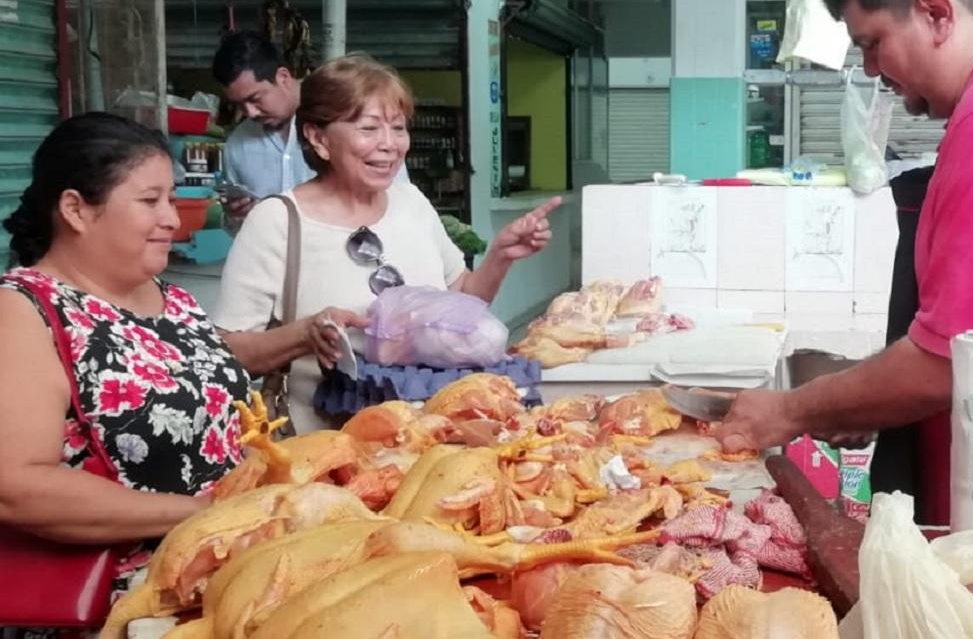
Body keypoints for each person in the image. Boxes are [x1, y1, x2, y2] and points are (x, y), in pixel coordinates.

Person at [716, 0, 973, 525]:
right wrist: (854, 399)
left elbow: (947, 360)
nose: (871, 71)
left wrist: (792, 410)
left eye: (872, 43)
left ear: (935, 10)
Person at [213, 54, 561, 433]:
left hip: (430, 444)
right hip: (324, 453)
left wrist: (501, 256)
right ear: (318, 137)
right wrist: (305, 334)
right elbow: (228, 351)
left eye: (398, 128)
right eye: (369, 128)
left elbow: (461, 302)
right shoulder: (277, 221)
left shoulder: (412, 203)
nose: (390, 145)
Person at [0, 113, 251, 617]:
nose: (172, 219)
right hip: (122, 605)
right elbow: (17, 486)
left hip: (221, 584)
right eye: (149, 200)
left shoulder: (172, 299)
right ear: (75, 209)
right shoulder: (25, 311)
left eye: (171, 197)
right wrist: (200, 514)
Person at [211, 32, 408, 229]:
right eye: (239, 105)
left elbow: (399, 201)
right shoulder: (238, 145)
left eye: (255, 99)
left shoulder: (343, 115)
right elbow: (234, 228)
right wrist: (235, 217)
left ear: (283, 77)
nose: (250, 113)